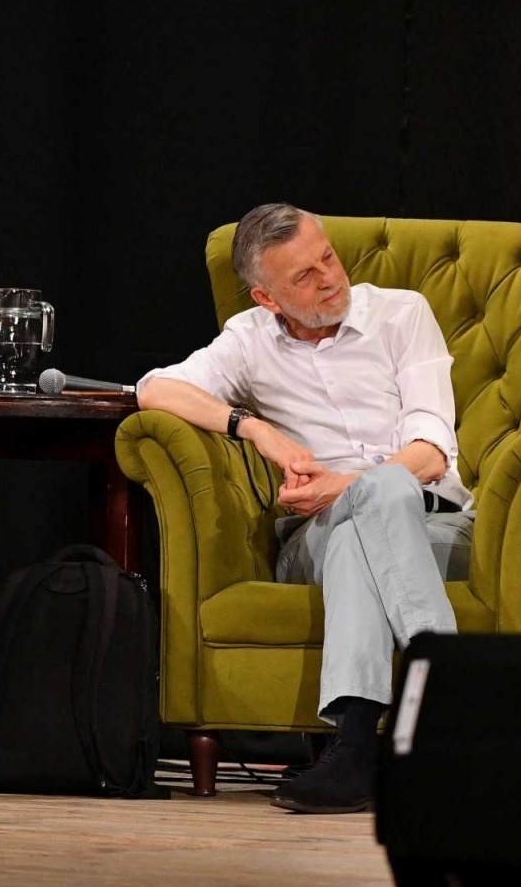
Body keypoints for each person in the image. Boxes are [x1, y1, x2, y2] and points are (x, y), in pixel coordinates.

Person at [136, 203, 472, 814]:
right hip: (312, 536)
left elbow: (429, 453)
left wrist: (345, 486)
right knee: (353, 525)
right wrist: (254, 427)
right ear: (266, 297)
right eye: (305, 276)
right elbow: (154, 388)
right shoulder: (250, 340)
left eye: (329, 258)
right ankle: (449, 711)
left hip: (435, 524)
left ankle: (354, 749)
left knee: (374, 508)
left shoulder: (402, 314)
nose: (330, 279)